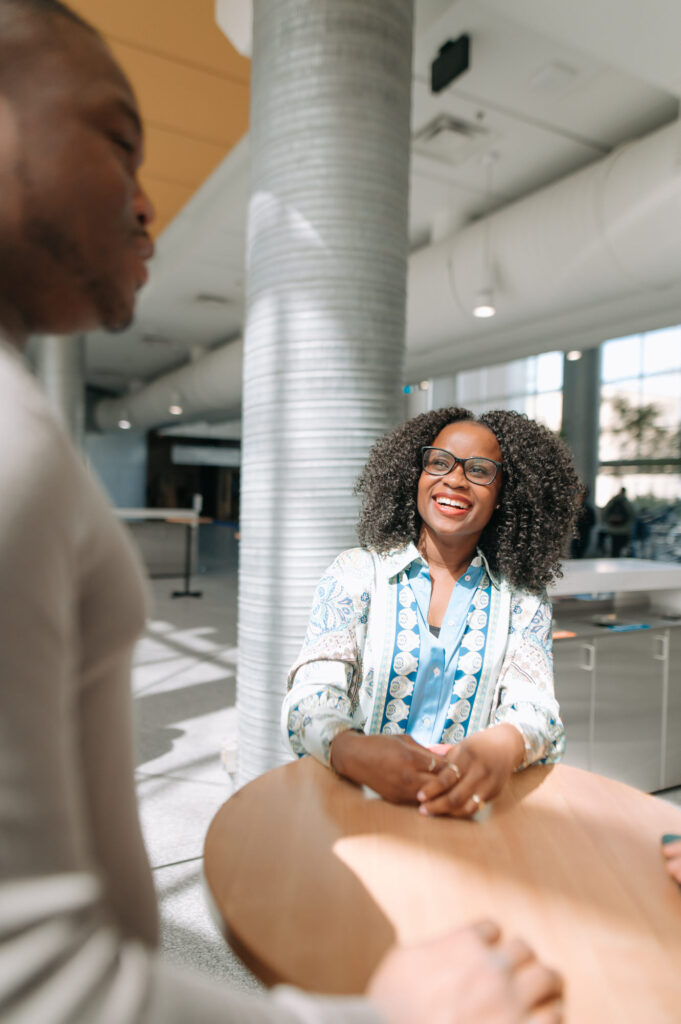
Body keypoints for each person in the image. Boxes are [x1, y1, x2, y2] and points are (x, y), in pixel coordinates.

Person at [0, 1, 564, 1022]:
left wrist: (493, 750)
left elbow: (539, 712)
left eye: (479, 472)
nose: (146, 204)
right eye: (118, 142)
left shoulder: (516, 604)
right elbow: (32, 976)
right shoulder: (19, 447)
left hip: (478, 842)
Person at [283, 409, 582, 818]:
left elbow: (537, 711)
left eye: (479, 470)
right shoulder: (355, 575)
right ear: (416, 476)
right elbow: (309, 698)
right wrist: (351, 749)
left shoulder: (523, 599)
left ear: (504, 496)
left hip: (464, 815)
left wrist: (506, 743)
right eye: (439, 462)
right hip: (355, 809)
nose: (455, 479)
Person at [601, 486, 635, 557]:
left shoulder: (612, 501)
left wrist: (608, 524)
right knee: (623, 548)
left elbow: (604, 513)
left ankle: (614, 560)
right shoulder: (626, 502)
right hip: (624, 530)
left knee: (614, 549)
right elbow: (632, 515)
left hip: (612, 530)